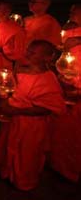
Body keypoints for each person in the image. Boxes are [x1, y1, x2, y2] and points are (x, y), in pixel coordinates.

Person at [0, 40, 66, 191]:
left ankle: (24, 184)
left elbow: (48, 107)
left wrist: (18, 111)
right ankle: (9, 175)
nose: (28, 54)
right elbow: (12, 92)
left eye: (33, 52)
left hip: (32, 127)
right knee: (9, 149)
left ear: (47, 57)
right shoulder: (20, 72)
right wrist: (3, 96)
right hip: (13, 122)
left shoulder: (48, 79)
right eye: (28, 50)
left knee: (27, 156)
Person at [47, 23, 81, 183]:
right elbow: (63, 68)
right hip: (66, 98)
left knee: (74, 140)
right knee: (61, 134)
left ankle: (70, 172)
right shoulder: (71, 47)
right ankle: (58, 166)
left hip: (76, 103)